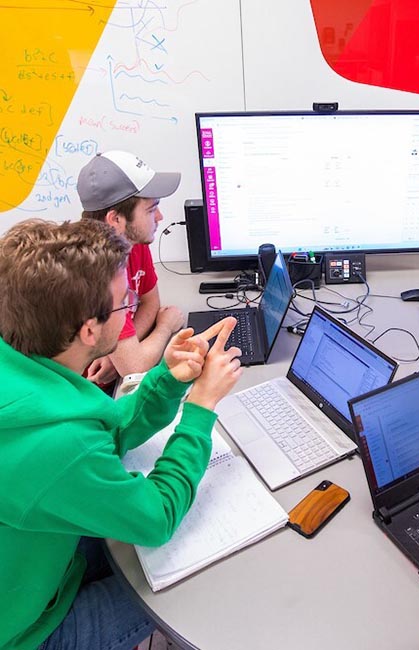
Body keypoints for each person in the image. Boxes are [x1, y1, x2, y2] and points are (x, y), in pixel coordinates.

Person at [0, 219, 243, 650]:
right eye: (124, 300)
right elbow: (156, 518)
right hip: (26, 632)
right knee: (182, 576)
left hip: (32, 563)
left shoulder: (21, 366)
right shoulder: (59, 445)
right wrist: (200, 410)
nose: (133, 305)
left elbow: (100, 430)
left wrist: (167, 379)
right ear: (89, 330)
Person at [78, 150, 186, 386]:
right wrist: (165, 326)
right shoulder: (95, 274)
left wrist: (115, 350)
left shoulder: (132, 242)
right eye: (150, 209)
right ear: (115, 219)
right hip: (83, 393)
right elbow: (134, 366)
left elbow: (150, 302)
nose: (160, 216)